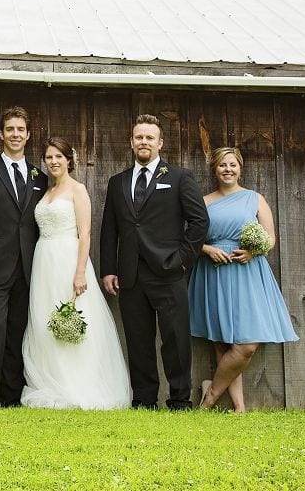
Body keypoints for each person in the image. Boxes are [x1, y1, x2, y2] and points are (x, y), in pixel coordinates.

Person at [100, 114, 210, 410]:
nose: (143, 142)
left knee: (175, 340)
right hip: (130, 274)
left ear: (160, 143)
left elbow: (199, 222)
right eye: (139, 137)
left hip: (169, 272)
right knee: (139, 341)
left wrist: (182, 260)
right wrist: (108, 269)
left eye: (150, 137)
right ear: (131, 142)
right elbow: (110, 229)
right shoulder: (117, 182)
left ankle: (179, 399)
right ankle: (144, 399)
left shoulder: (179, 178)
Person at [20, 138, 131, 409]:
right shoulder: (44, 193)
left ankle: (79, 384)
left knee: (73, 317)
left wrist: (80, 272)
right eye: (49, 157)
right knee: (46, 318)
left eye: (59, 156)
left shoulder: (77, 190)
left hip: (68, 259)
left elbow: (86, 234)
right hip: (44, 260)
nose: (54, 162)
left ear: (69, 159)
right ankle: (52, 381)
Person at [189, 147, 298, 412]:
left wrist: (254, 250)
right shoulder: (203, 202)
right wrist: (208, 249)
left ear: (240, 168)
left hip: (248, 271)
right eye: (222, 165)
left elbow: (270, 238)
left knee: (245, 345)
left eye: (233, 165)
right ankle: (239, 408)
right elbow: (189, 239)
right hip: (214, 271)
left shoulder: (255, 199)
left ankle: (211, 395)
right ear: (214, 169)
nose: (228, 169)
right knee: (222, 340)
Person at [0, 105, 48, 406]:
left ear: (28, 136)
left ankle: (12, 396)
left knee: (18, 331)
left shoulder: (39, 176)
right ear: (1, 134)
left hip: (29, 269)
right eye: (10, 129)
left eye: (20, 130)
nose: (15, 134)